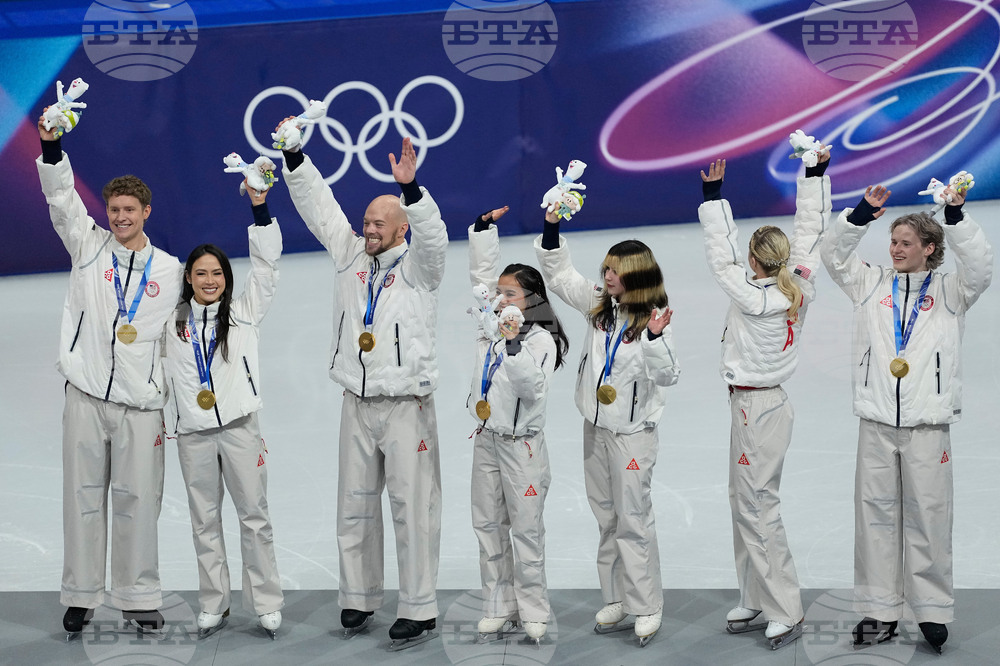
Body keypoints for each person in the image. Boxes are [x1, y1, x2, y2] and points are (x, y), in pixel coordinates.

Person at [279, 128, 447, 649]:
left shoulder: (421, 268)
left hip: (404, 404)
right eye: (367, 221)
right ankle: (359, 595)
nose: (367, 228)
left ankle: (419, 608)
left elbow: (436, 237)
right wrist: (295, 156)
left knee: (411, 506)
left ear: (401, 231)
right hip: (356, 399)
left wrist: (413, 190)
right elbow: (318, 205)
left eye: (379, 223)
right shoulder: (350, 256)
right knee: (354, 502)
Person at [821, 178, 993, 654]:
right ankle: (879, 610)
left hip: (927, 424)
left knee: (930, 518)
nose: (894, 249)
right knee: (874, 517)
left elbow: (980, 268)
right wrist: (858, 215)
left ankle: (933, 611)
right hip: (876, 420)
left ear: (929, 248)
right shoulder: (870, 282)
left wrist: (956, 216)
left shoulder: (951, 291)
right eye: (892, 241)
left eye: (905, 243)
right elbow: (833, 256)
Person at [35, 109, 182, 637]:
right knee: (83, 496)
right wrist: (52, 147)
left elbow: (182, 341)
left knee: (139, 502)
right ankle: (80, 595)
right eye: (114, 209)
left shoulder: (169, 270)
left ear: (146, 211)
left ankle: (139, 596)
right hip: (86, 394)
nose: (120, 218)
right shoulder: (87, 245)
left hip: (142, 406)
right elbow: (61, 198)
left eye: (129, 210)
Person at [698, 148, 831, 650]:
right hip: (757, 405)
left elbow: (719, 255)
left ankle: (784, 607)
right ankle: (755, 593)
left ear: (754, 261)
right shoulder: (799, 280)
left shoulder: (753, 297)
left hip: (758, 408)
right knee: (744, 501)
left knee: (759, 507)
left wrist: (713, 197)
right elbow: (810, 231)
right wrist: (814, 174)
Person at [534, 206, 679, 647]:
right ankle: (617, 595)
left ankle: (647, 602)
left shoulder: (656, 320)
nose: (607, 276)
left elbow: (670, 375)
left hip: (632, 435)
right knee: (606, 515)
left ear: (634, 275)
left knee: (633, 519)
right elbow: (560, 277)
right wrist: (552, 226)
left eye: (614, 271)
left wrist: (653, 340)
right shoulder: (602, 306)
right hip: (595, 426)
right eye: (606, 269)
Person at [163, 181, 284, 640]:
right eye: (200, 273)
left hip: (239, 429)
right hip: (193, 433)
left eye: (216, 273)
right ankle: (214, 602)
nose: (209, 280)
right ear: (188, 278)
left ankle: (267, 602)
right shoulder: (171, 323)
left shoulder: (245, 312)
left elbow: (268, 266)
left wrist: (260, 209)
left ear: (226, 278)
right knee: (204, 520)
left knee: (254, 516)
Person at [467, 206, 569, 645]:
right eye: (500, 294)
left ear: (532, 299)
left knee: (526, 532)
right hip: (486, 440)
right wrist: (483, 232)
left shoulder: (541, 341)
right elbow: (481, 277)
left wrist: (512, 344)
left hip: (522, 448)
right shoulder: (489, 327)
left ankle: (532, 608)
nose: (501, 300)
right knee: (488, 526)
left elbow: (532, 390)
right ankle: (498, 604)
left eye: (511, 294)